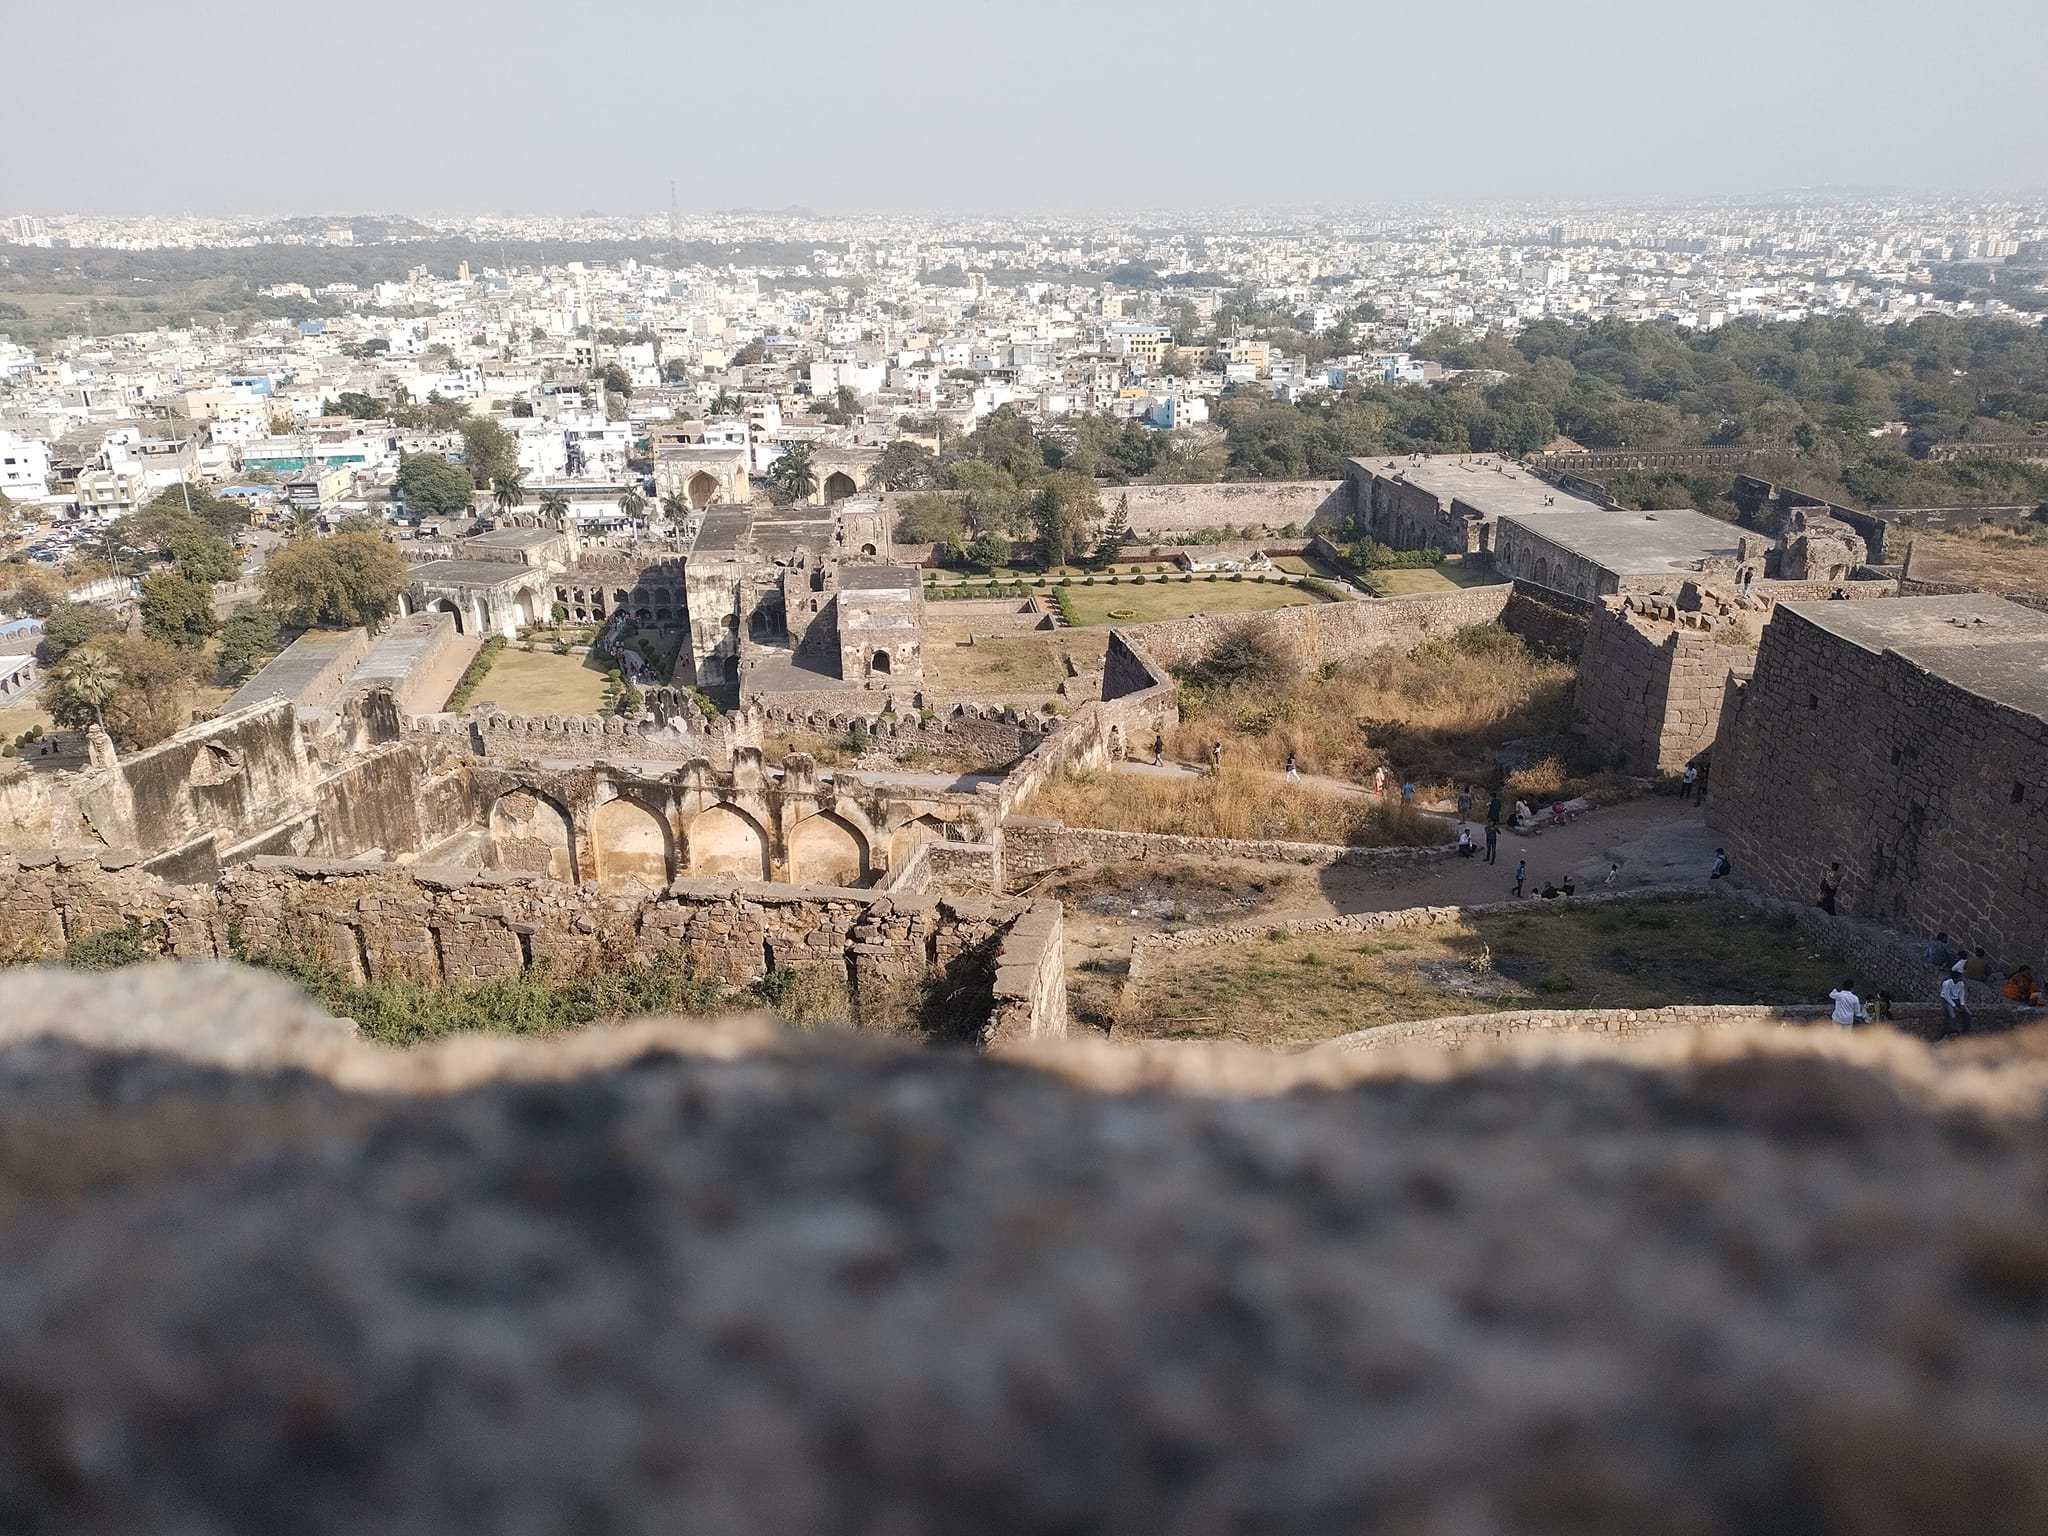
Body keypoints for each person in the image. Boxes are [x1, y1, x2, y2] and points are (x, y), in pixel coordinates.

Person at [1940, 969, 1972, 1037]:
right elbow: (1946, 996)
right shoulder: (1947, 984)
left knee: (1968, 1014)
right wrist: (1954, 1006)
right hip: (1946, 999)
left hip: (1956, 999)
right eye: (1960, 977)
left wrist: (1962, 1003)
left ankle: (1966, 1030)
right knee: (1952, 1015)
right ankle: (1949, 1031)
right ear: (1956, 978)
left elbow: (1961, 993)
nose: (1962, 978)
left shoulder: (1961, 983)